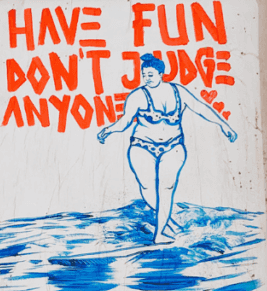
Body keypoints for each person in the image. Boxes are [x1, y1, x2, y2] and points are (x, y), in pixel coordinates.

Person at [97, 53, 237, 244]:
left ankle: (160, 233)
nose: (147, 78)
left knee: (166, 187)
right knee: (147, 186)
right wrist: (107, 130)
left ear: (161, 73)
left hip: (173, 146)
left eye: (151, 74)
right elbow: (125, 121)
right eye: (144, 74)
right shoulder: (138, 96)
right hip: (142, 146)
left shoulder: (178, 92)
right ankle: (168, 218)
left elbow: (201, 108)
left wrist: (224, 124)